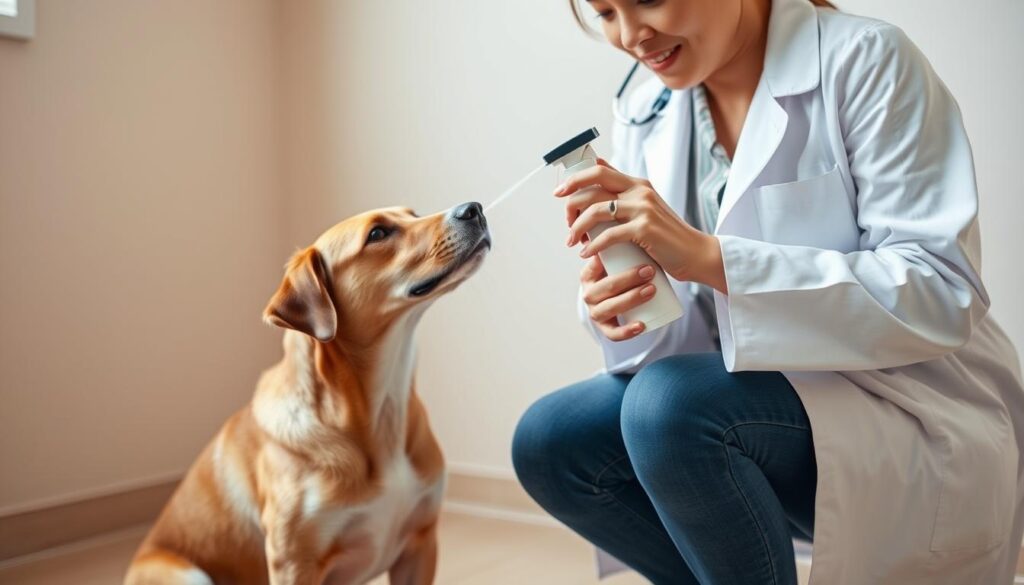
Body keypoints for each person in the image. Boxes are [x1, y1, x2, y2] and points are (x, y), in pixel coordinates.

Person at [511, 0, 1024, 583]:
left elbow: (940, 291)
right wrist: (625, 303)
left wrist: (712, 259)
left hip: (905, 402)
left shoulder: (866, 59)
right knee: (550, 442)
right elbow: (675, 340)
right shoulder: (644, 104)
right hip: (750, 401)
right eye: (606, 12)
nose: (630, 35)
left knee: (668, 408)